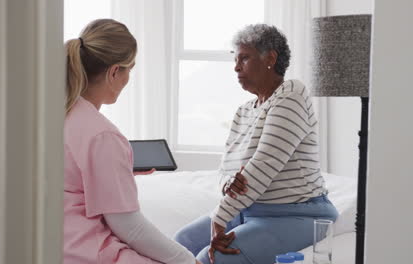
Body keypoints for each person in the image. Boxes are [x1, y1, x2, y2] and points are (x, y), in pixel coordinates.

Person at [174, 24, 338, 264]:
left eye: (244, 58)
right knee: (180, 244)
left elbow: (263, 167)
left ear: (270, 58)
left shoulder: (292, 95)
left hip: (297, 214)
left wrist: (220, 218)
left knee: (213, 258)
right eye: (235, 59)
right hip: (247, 210)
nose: (236, 67)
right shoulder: (244, 112)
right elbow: (226, 171)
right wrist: (229, 184)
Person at [64, 19, 201, 264]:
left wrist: (116, 178)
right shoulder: (102, 135)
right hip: (89, 252)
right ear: (115, 71)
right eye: (130, 69)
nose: (128, 79)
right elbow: (130, 227)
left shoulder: (57, 115)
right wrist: (188, 260)